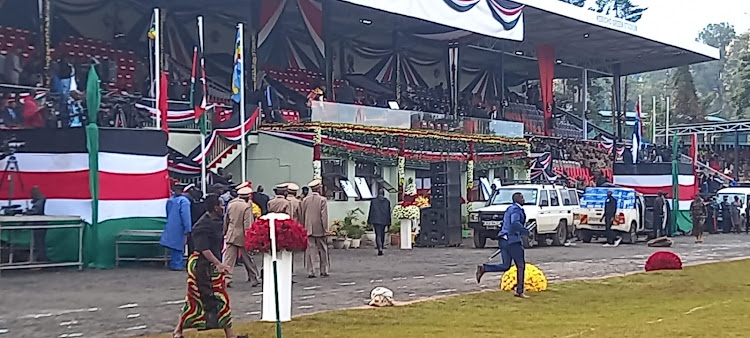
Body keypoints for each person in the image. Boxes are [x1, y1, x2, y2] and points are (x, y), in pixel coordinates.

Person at [173, 194, 242, 338]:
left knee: (218, 298)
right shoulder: (201, 226)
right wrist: (219, 264)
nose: (223, 207)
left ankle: (230, 335)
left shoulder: (216, 221)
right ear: (215, 207)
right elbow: (203, 249)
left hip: (211, 266)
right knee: (197, 300)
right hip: (201, 266)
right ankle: (178, 331)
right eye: (221, 205)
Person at [475, 192, 529, 299]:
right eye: (522, 197)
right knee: (520, 265)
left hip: (503, 239)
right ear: (518, 199)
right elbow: (514, 223)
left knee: (506, 266)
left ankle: (484, 268)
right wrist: (525, 231)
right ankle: (519, 291)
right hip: (512, 240)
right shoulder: (516, 210)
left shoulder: (509, 208)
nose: (524, 199)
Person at [222, 187, 261, 287]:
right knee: (248, 258)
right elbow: (247, 224)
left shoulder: (231, 204)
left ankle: (226, 279)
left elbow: (226, 220)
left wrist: (225, 231)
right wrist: (250, 237)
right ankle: (254, 277)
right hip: (242, 236)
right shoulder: (246, 207)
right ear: (248, 197)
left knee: (229, 259)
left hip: (231, 233)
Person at [301, 179, 329, 278]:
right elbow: (323, 216)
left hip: (308, 227)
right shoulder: (322, 200)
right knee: (323, 249)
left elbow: (302, 214)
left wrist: (303, 226)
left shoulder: (305, 200)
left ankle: (310, 271)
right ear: (318, 188)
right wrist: (325, 229)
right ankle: (323, 270)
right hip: (319, 228)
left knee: (310, 251)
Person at [160, 183, 192, 271]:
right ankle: (177, 264)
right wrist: (188, 228)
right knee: (179, 246)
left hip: (171, 225)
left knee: (174, 246)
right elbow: (186, 216)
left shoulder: (170, 200)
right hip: (180, 226)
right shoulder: (184, 201)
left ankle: (174, 263)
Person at [367, 188, 391, 256]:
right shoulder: (387, 202)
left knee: (378, 234)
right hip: (384, 220)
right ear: (383, 194)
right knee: (382, 234)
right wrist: (389, 222)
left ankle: (379, 248)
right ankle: (381, 246)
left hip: (376, 220)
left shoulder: (374, 201)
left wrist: (369, 220)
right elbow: (388, 212)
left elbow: (371, 211)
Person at [27, 186, 48, 262]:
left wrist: (27, 212)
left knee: (39, 243)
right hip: (38, 224)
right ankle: (41, 259)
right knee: (38, 243)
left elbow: (36, 211)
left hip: (40, 224)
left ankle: (42, 260)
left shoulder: (40, 201)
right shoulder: (38, 201)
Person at [186, 185, 205, 254]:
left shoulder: (202, 203)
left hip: (199, 227)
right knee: (192, 247)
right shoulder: (189, 203)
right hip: (194, 226)